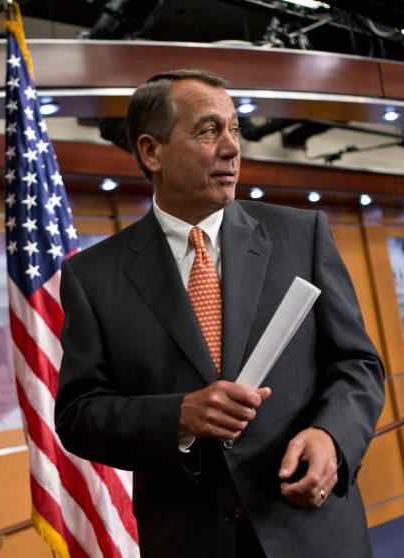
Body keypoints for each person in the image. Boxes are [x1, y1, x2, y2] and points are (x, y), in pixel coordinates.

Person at [54, 69, 385, 558]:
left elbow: (358, 364)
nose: (232, 148)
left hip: (312, 531)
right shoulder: (93, 278)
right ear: (152, 152)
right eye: (209, 131)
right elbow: (79, 415)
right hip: (190, 541)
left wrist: (331, 437)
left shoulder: (302, 237)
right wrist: (179, 416)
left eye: (235, 128)